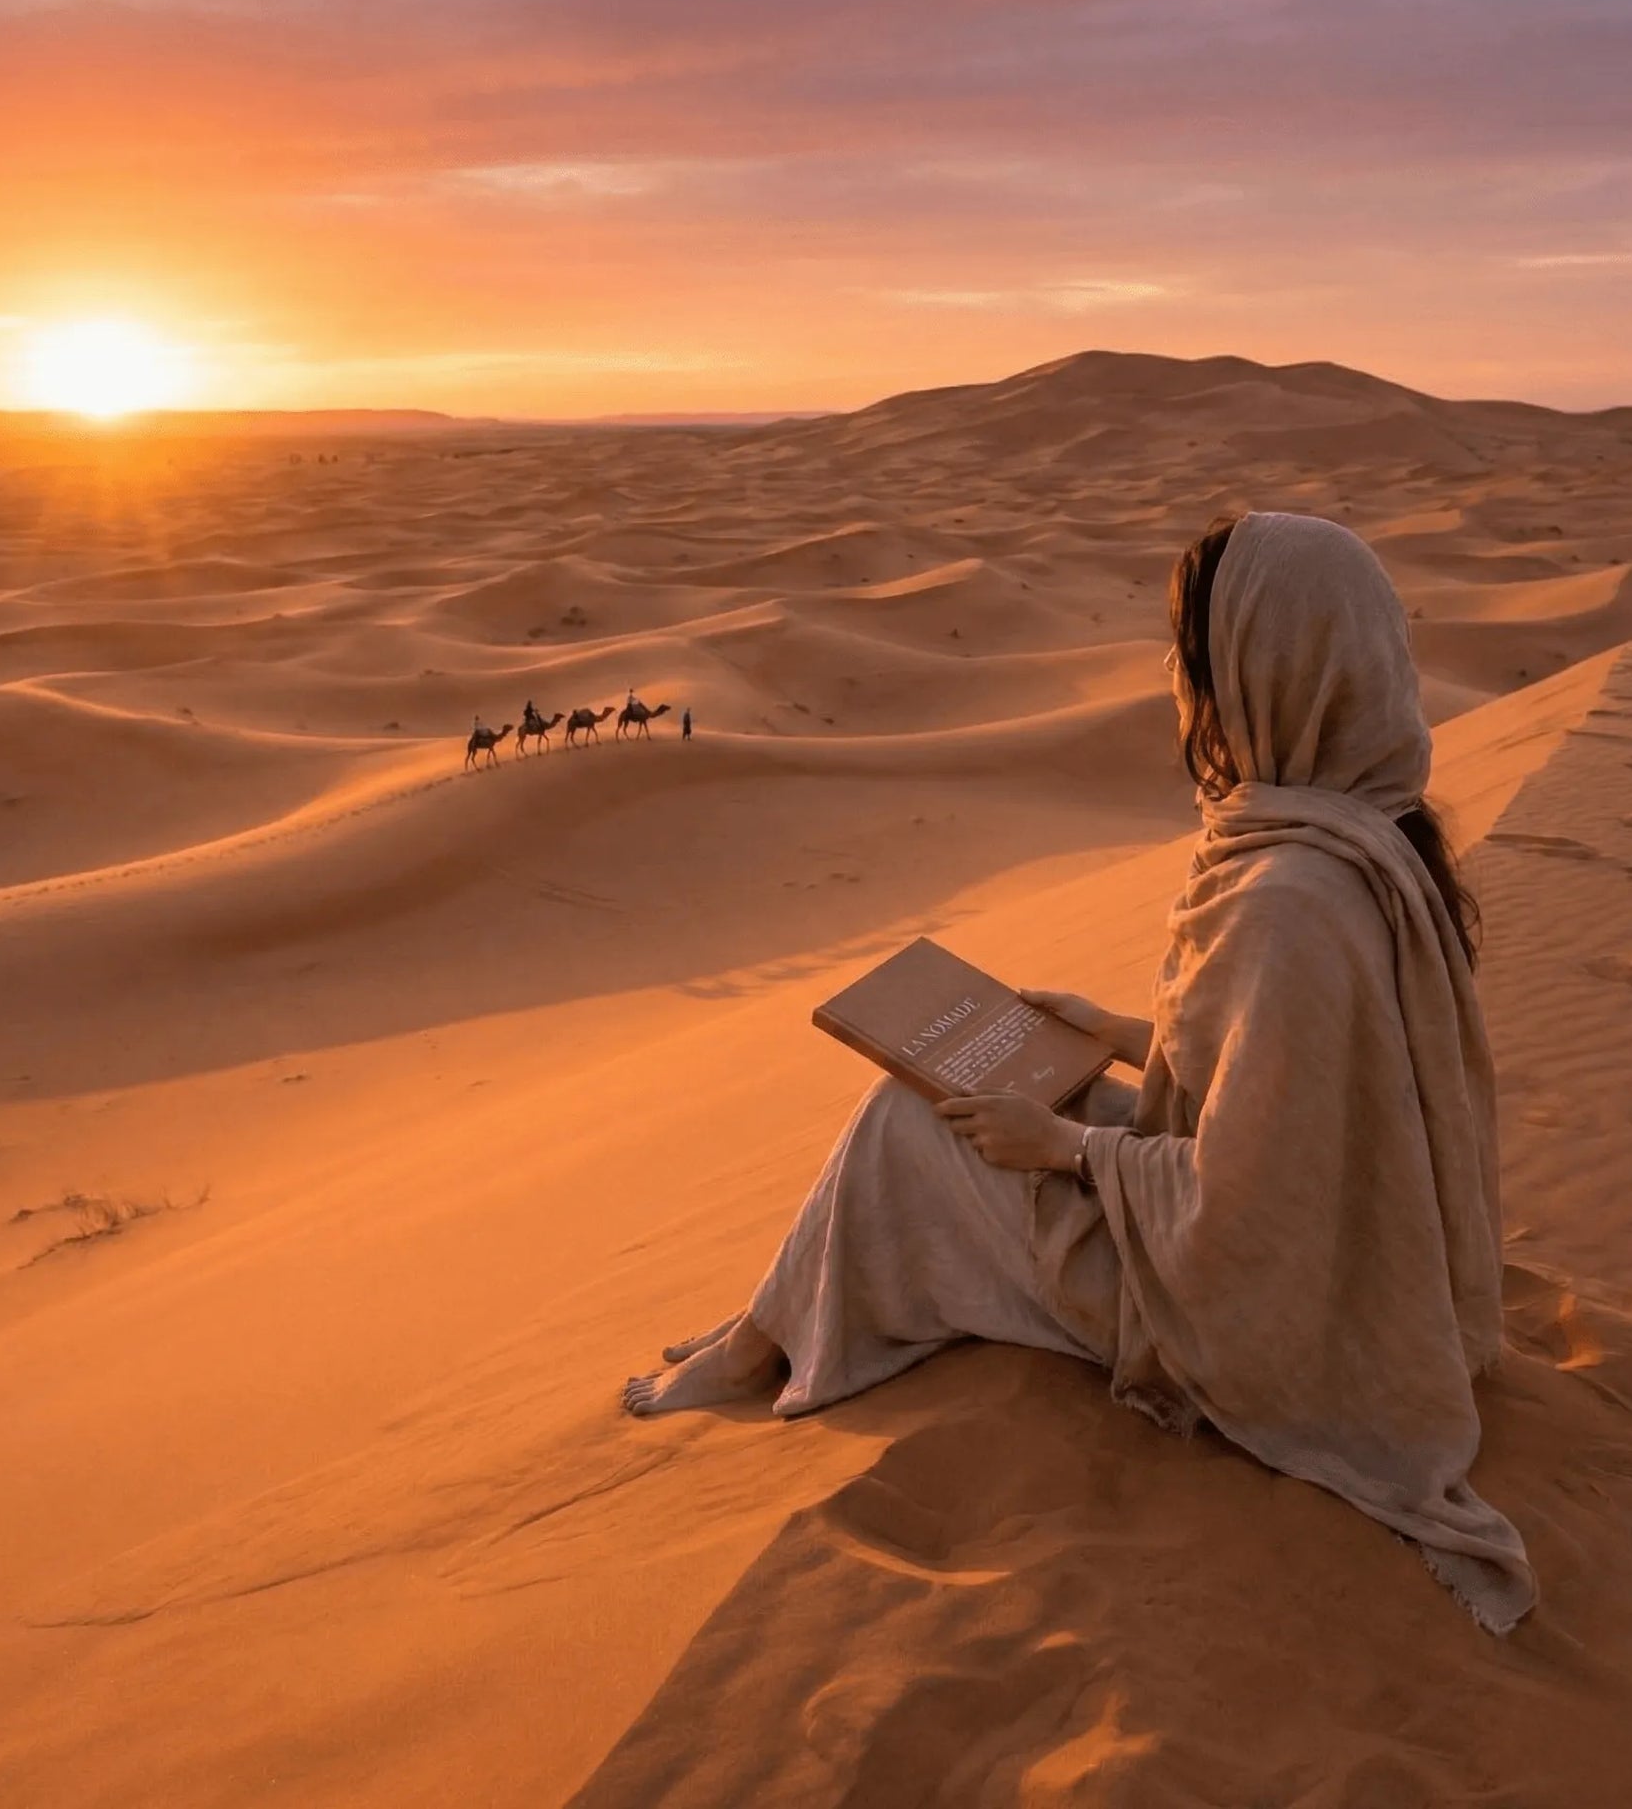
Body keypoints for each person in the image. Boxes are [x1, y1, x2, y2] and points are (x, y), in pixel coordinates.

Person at [619, 511, 1534, 1632]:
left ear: (1261, 675)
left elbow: (1247, 1209)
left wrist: (1066, 1146)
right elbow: (1307, 1086)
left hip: (1244, 1318)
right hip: (1333, 1262)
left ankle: (761, 1346)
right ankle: (772, 1321)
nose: (1176, 683)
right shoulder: (1367, 839)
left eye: (1191, 654)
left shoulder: (1290, 897)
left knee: (906, 1122)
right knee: (955, 1109)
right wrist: (1118, 1033)